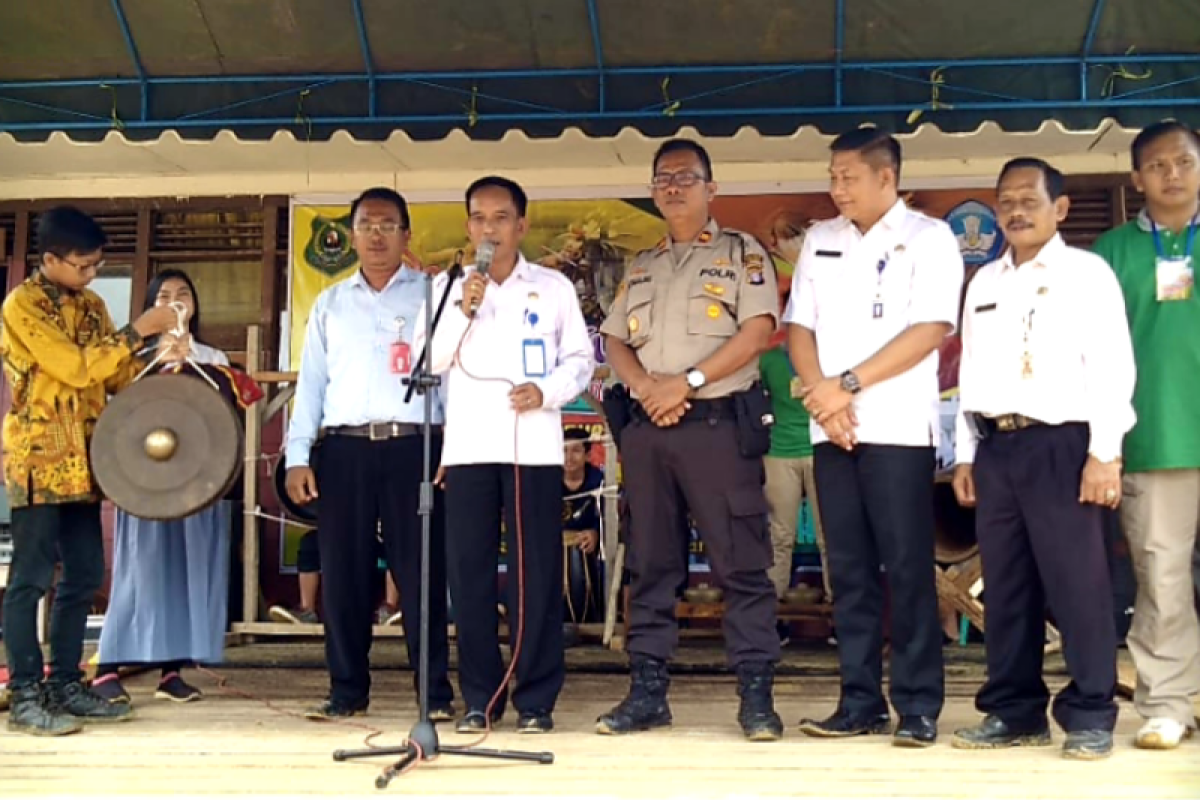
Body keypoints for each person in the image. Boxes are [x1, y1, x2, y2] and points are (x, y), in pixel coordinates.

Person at [597, 139, 784, 741]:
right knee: (651, 565)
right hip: (650, 432)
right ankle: (648, 692)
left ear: (712, 188)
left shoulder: (742, 254)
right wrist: (648, 387)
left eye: (685, 177)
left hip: (718, 428)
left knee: (742, 565)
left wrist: (687, 382)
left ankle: (756, 695)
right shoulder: (643, 264)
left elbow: (758, 332)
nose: (673, 187)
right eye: (663, 178)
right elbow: (614, 341)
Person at [950, 158, 1134, 760]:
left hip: (1065, 445)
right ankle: (1014, 710)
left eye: (1029, 199)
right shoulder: (984, 282)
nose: (1016, 211)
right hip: (997, 446)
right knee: (1004, 587)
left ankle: (1090, 712)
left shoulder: (1088, 273)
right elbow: (970, 372)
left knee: (1077, 583)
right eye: (1005, 201)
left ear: (1059, 208)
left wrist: (1104, 453)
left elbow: (1112, 366)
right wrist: (966, 453)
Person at [785, 127, 964, 747]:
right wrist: (824, 397)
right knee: (850, 570)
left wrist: (848, 386)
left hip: (895, 430)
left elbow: (931, 329)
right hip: (831, 429)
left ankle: (917, 704)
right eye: (832, 176)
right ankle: (858, 700)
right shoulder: (820, 239)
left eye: (848, 177)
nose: (837, 188)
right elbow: (798, 328)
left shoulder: (929, 238)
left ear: (886, 177)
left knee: (907, 567)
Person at [417, 175, 593, 734]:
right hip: (469, 449)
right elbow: (428, 362)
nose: (488, 228)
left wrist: (548, 392)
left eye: (499, 217)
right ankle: (480, 698)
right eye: (478, 218)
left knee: (532, 575)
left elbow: (580, 360)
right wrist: (464, 309)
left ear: (521, 224)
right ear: (468, 226)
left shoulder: (552, 287)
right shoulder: (449, 290)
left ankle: (536, 700)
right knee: (469, 576)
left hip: (533, 449)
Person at [1, 206, 177, 735]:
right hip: (39, 459)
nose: (91, 275)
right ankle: (26, 691)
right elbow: (75, 368)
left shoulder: (95, 306)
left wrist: (157, 351)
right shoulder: (21, 305)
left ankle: (65, 683)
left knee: (82, 575)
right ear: (50, 259)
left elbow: (115, 375)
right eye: (82, 266)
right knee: (31, 580)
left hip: (89, 456)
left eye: (97, 265)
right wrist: (136, 329)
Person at [284, 187, 455, 721]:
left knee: (421, 573)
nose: (376, 235)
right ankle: (347, 691)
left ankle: (434, 696)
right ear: (351, 234)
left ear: (406, 235)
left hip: (416, 447)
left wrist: (456, 445)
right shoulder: (331, 303)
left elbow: (453, 379)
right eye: (366, 225)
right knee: (345, 573)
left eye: (387, 225)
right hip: (345, 451)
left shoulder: (432, 295)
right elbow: (311, 384)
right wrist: (296, 456)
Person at [90, 270, 253, 704]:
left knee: (187, 575)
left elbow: (229, 413)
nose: (175, 300)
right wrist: (159, 361)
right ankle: (107, 667)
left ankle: (170, 672)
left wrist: (193, 366)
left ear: (195, 304)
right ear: (150, 306)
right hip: (144, 483)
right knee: (138, 575)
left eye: (183, 294)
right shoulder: (132, 358)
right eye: (165, 295)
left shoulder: (212, 356)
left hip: (197, 482)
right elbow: (117, 418)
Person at [1092, 120, 1200, 750]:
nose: (1172, 174)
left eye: (1183, 162)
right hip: (1154, 435)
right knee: (1161, 578)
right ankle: (1166, 703)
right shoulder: (1111, 252)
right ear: (1137, 179)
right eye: (1157, 166)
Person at [759, 340, 831, 636]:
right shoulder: (768, 359)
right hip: (778, 451)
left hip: (822, 448)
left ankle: (841, 613)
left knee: (830, 534)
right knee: (780, 535)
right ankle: (772, 617)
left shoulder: (829, 352)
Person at [269, 531, 404, 627]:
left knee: (394, 542)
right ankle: (307, 612)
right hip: (341, 528)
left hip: (374, 532)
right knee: (309, 542)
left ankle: (389, 610)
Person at [562, 426, 605, 634]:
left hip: (589, 552)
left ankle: (596, 615)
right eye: (564, 451)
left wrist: (597, 534)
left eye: (576, 451)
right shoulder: (547, 481)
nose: (568, 457)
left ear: (588, 455)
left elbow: (611, 522)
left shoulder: (600, 482)